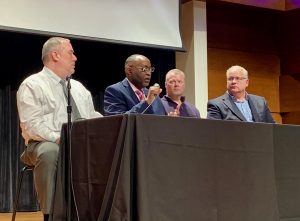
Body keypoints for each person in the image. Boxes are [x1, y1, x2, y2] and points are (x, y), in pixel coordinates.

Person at [16, 37, 102, 221]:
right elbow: (32, 125)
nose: (75, 58)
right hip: (41, 144)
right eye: (71, 53)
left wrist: (112, 125)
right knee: (50, 151)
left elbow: (91, 115)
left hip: (78, 143)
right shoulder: (33, 84)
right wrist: (60, 138)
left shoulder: (78, 87)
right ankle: (51, 214)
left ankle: (97, 210)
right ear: (55, 55)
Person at [206, 65, 275, 123]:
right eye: (230, 79)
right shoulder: (216, 104)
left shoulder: (260, 101)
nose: (233, 82)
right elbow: (213, 131)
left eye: (237, 78)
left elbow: (273, 127)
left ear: (247, 82)